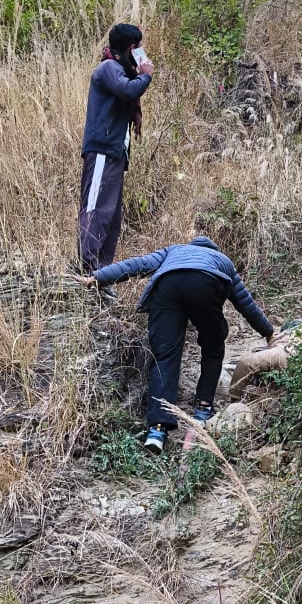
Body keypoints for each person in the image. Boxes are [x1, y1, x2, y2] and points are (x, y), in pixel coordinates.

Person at [76, 236, 276, 453]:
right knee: (213, 347)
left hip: (167, 286)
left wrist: (97, 277)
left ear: (191, 246)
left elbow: (137, 265)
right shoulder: (222, 260)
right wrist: (269, 333)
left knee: (165, 356)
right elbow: (246, 303)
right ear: (214, 249)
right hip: (205, 284)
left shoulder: (174, 251)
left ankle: (157, 431)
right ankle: (203, 410)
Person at [78, 23, 154, 275]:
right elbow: (127, 90)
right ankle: (87, 270)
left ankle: (101, 274)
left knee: (110, 215)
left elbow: (128, 90)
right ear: (131, 48)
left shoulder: (120, 69)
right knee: (95, 209)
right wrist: (145, 75)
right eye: (139, 47)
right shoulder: (109, 68)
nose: (141, 52)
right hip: (102, 150)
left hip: (114, 152)